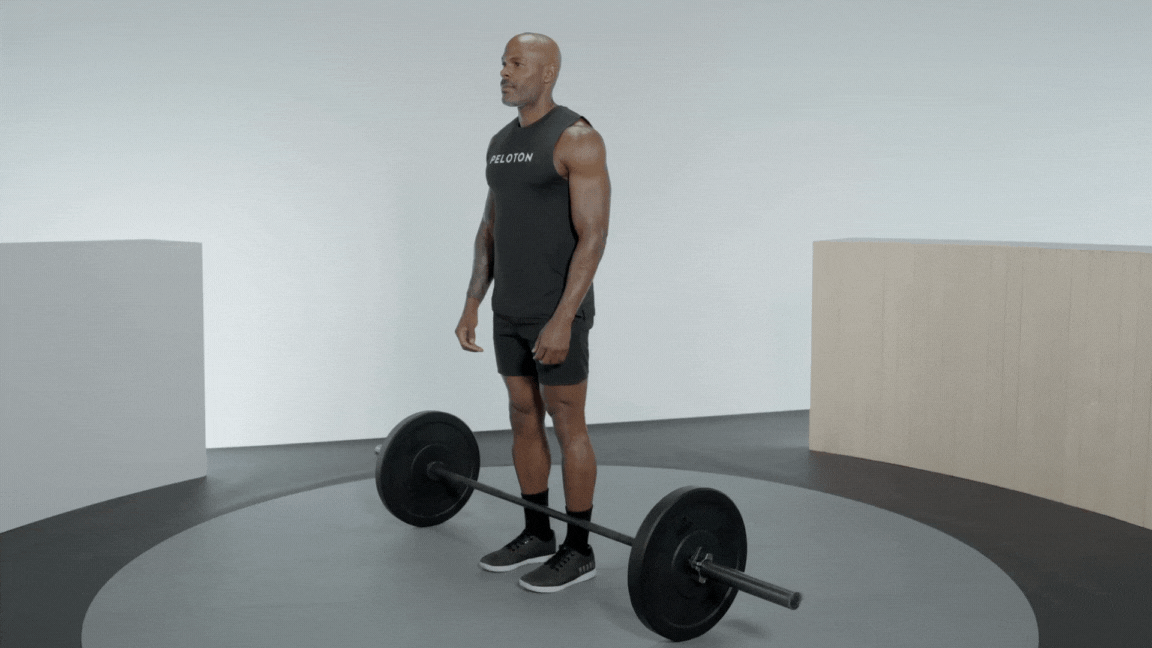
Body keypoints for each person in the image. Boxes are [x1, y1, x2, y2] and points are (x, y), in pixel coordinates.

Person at [454, 32, 610, 593]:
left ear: (548, 73)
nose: (504, 72)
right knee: (523, 415)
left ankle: (579, 548)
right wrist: (473, 301)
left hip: (554, 310)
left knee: (568, 423)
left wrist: (564, 317)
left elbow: (593, 236)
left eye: (516, 63)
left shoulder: (577, 138)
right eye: (502, 63)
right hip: (508, 309)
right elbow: (489, 228)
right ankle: (537, 533)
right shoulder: (499, 143)